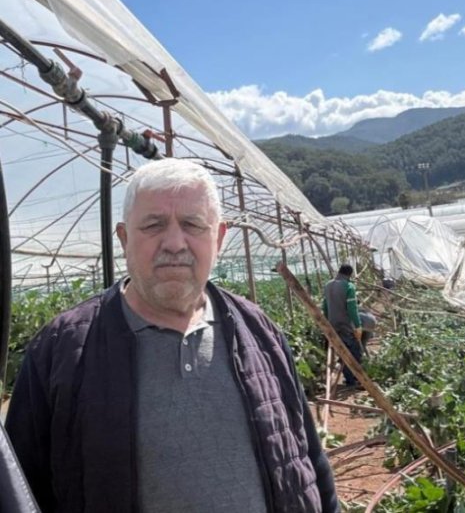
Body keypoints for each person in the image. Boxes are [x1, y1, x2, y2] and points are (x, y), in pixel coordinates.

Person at [5, 159, 338, 513]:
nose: (175, 243)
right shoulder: (61, 350)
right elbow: (18, 491)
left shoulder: (260, 333)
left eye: (193, 224)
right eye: (154, 225)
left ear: (219, 238)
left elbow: (310, 460)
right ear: (124, 238)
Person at [321, 264, 364, 388]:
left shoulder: (328, 285)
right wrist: (358, 326)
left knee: (342, 352)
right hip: (346, 325)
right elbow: (352, 309)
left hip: (333, 325)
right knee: (355, 352)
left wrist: (327, 324)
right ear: (349, 274)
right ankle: (356, 379)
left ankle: (349, 380)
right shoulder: (349, 286)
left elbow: (325, 306)